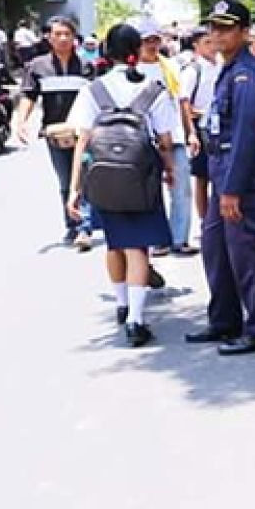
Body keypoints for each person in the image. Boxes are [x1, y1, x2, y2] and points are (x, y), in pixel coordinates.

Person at [66, 24, 177, 347]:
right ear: (136, 51)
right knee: (138, 247)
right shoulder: (153, 90)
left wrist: (75, 188)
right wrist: (169, 171)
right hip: (142, 178)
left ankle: (121, 304)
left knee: (116, 244)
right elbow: (166, 140)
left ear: (106, 51)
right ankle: (136, 321)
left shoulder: (93, 90)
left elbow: (82, 140)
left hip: (102, 181)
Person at [184, 0, 255, 356]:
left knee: (248, 255)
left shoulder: (246, 75)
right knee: (216, 248)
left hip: (240, 181)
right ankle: (225, 319)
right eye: (214, 27)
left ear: (244, 32)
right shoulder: (228, 69)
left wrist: (232, 190)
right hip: (222, 176)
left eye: (226, 28)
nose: (217, 34)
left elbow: (244, 136)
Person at [14, 16, 95, 250]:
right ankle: (72, 224)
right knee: (65, 179)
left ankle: (85, 227)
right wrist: (21, 122)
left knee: (85, 177)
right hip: (55, 133)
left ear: (74, 38)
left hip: (83, 132)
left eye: (67, 34)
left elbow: (96, 98)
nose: (62, 38)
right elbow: (29, 95)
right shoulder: (37, 66)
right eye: (57, 34)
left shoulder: (87, 66)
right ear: (49, 37)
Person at [136, 18, 200, 256]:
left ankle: (179, 238)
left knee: (181, 188)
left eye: (155, 40)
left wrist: (191, 131)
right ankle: (156, 239)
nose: (151, 45)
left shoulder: (170, 67)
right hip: (145, 141)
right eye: (146, 41)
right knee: (151, 192)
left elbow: (183, 102)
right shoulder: (132, 71)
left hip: (174, 136)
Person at [180, 27, 220, 224]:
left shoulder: (221, 65)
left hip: (219, 126)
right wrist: (191, 132)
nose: (212, 46)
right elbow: (184, 101)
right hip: (201, 126)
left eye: (213, 41)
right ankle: (205, 219)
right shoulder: (193, 69)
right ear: (196, 46)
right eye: (207, 42)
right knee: (202, 177)